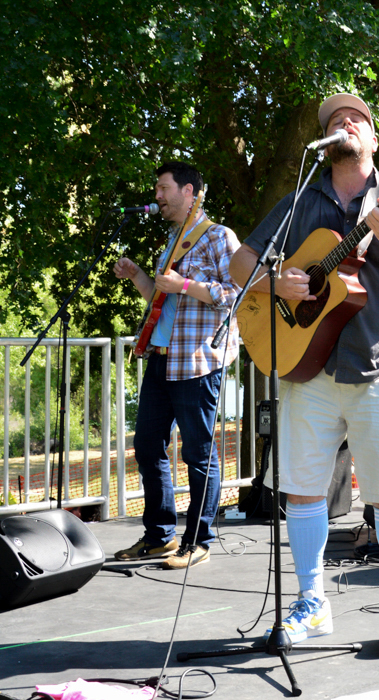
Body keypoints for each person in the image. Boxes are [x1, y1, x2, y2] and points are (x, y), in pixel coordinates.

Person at [230, 93, 379, 646]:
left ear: (373, 139)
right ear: (325, 143)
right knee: (302, 490)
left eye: (355, 119)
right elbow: (239, 261)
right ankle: (311, 604)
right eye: (333, 121)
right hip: (309, 365)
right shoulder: (300, 200)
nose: (343, 123)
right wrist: (274, 282)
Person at [113, 161, 242, 569]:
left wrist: (186, 285)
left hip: (197, 361)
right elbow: (160, 299)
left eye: (163, 188)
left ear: (189, 191)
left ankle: (198, 540)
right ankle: (160, 536)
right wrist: (138, 276)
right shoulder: (172, 241)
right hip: (162, 358)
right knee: (147, 447)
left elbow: (238, 293)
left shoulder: (219, 236)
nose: (157, 196)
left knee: (199, 454)